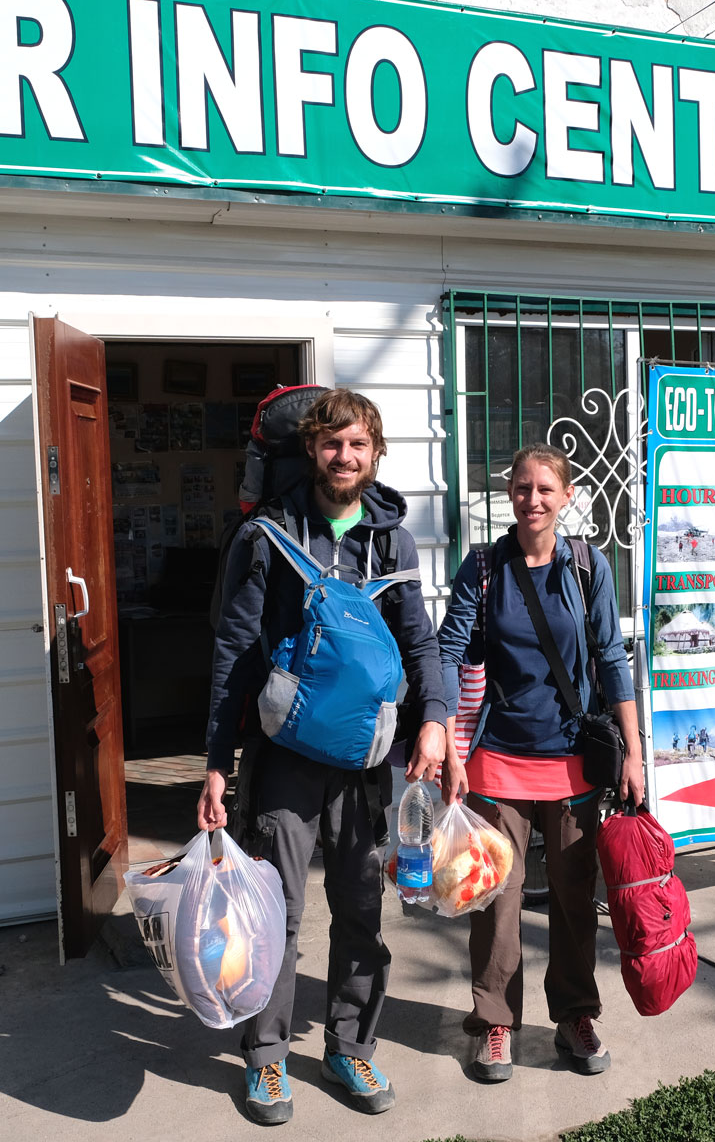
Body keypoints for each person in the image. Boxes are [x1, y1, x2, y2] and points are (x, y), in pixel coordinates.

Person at [200, 389, 449, 1126]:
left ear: (376, 454)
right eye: (333, 444)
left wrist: (435, 721)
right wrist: (217, 761)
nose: (346, 457)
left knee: (361, 908)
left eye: (359, 446)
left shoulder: (391, 540)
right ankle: (266, 1057)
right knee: (274, 910)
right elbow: (235, 652)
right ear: (312, 450)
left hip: (364, 760)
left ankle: (349, 1044)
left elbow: (421, 642)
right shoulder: (270, 534)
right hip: (284, 756)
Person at [435, 444, 642, 1084]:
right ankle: (496, 1023)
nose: (532, 499)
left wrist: (633, 751)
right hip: (498, 759)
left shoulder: (588, 566)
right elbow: (449, 648)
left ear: (567, 496)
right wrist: (442, 736)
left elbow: (611, 657)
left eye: (545, 488)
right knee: (494, 899)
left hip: (573, 763)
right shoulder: (483, 568)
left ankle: (576, 1016)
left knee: (576, 901)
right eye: (522, 488)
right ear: (510, 494)